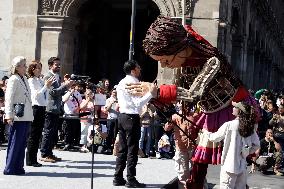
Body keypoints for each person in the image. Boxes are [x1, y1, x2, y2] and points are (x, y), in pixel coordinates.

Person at [128, 16, 260, 188]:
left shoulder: (212, 62)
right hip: (211, 112)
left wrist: (158, 91)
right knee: (198, 162)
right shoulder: (184, 65)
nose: (165, 66)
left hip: (233, 110)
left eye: (166, 60)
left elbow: (193, 94)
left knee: (234, 163)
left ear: (181, 49)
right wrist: (155, 97)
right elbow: (180, 93)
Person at [113, 60, 157, 188]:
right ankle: (131, 179)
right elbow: (137, 103)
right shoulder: (133, 82)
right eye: (138, 67)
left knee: (122, 149)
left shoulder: (122, 81)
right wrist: (151, 93)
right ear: (133, 70)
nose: (140, 69)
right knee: (132, 149)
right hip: (131, 117)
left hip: (122, 116)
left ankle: (118, 177)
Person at [202, 101, 260, 188]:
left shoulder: (229, 125)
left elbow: (214, 138)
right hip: (242, 166)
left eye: (235, 107)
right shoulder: (249, 127)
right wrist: (245, 152)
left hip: (229, 166)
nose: (233, 108)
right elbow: (256, 145)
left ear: (239, 111)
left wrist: (205, 132)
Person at [3, 56, 34, 175]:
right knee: (15, 142)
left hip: (26, 115)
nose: (26, 67)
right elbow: (9, 98)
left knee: (22, 143)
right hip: (17, 115)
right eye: (24, 65)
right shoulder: (13, 79)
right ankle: (10, 168)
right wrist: (9, 115)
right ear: (17, 67)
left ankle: (18, 167)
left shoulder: (24, 78)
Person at [40, 57, 74, 163]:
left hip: (57, 108)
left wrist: (68, 88)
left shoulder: (57, 76)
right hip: (50, 108)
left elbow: (59, 92)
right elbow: (53, 92)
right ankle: (44, 153)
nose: (59, 66)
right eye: (56, 64)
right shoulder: (48, 76)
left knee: (53, 132)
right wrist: (65, 86)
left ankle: (49, 153)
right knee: (48, 131)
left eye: (59, 64)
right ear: (50, 65)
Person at [26, 61, 54, 167]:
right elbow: (36, 96)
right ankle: (30, 160)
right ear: (32, 69)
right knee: (33, 135)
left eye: (40, 67)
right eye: (37, 67)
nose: (39, 69)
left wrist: (47, 86)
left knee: (38, 135)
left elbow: (45, 94)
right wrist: (45, 86)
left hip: (42, 108)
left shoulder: (40, 80)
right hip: (35, 108)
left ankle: (34, 159)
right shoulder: (31, 80)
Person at [164, 105, 200, 189]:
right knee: (182, 172)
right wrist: (169, 122)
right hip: (181, 148)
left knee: (197, 171)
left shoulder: (194, 116)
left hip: (193, 147)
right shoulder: (175, 116)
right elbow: (166, 128)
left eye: (187, 104)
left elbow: (200, 128)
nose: (184, 106)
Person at [79, 88, 95, 153]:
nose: (89, 95)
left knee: (90, 133)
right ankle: (83, 146)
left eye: (90, 94)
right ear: (85, 94)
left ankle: (89, 145)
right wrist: (87, 100)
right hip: (84, 119)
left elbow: (95, 110)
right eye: (87, 94)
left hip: (91, 119)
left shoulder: (93, 101)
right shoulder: (83, 101)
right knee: (84, 133)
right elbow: (82, 108)